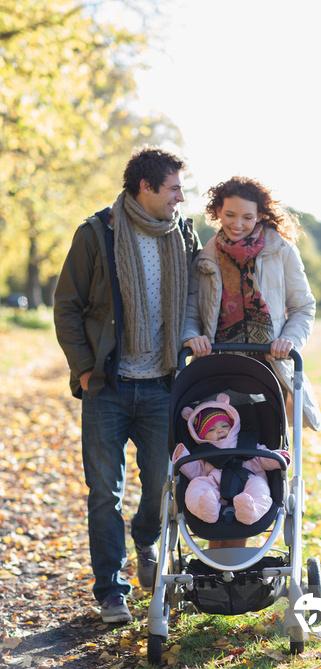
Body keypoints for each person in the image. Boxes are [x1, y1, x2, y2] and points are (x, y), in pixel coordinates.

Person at [54, 146, 200, 624]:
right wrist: (84, 369)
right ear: (147, 187)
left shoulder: (182, 233)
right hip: (108, 388)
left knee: (161, 486)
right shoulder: (97, 233)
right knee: (104, 493)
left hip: (163, 385)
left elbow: (203, 288)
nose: (181, 196)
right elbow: (67, 306)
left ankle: (145, 538)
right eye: (174, 187)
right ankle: (111, 591)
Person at [182, 175, 321, 433]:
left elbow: (303, 307)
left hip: (269, 371)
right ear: (218, 212)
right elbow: (191, 311)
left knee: (265, 446)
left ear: (259, 215)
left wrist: (289, 341)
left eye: (247, 217)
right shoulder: (205, 257)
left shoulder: (281, 250)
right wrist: (192, 337)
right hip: (216, 372)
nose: (237, 224)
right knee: (217, 449)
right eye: (230, 215)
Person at [173, 393, 290, 525]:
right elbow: (196, 471)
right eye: (211, 429)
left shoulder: (247, 442)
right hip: (215, 485)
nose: (219, 431)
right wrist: (182, 458)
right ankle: (206, 509)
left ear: (233, 425)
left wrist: (278, 458)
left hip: (248, 481)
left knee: (260, 487)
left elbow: (264, 457)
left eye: (224, 426)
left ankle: (250, 510)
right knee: (196, 486)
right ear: (201, 436)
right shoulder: (204, 452)